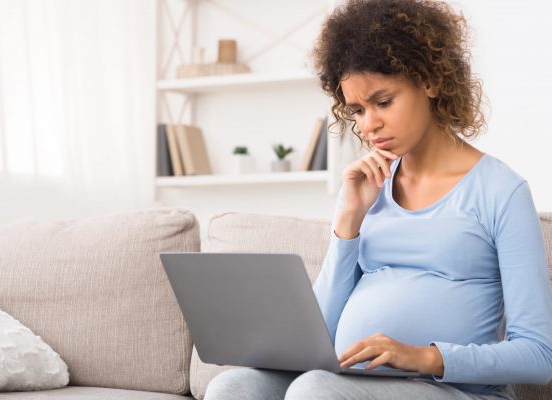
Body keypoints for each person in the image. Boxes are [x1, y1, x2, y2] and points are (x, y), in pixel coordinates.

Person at [204, 0, 552, 399]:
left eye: (383, 102)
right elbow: (322, 330)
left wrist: (424, 356)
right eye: (356, 110)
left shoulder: (501, 191)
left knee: (316, 392)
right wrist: (348, 221)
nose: (369, 126)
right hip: (353, 378)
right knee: (233, 387)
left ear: (430, 81)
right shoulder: (370, 189)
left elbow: (539, 355)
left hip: (456, 390)